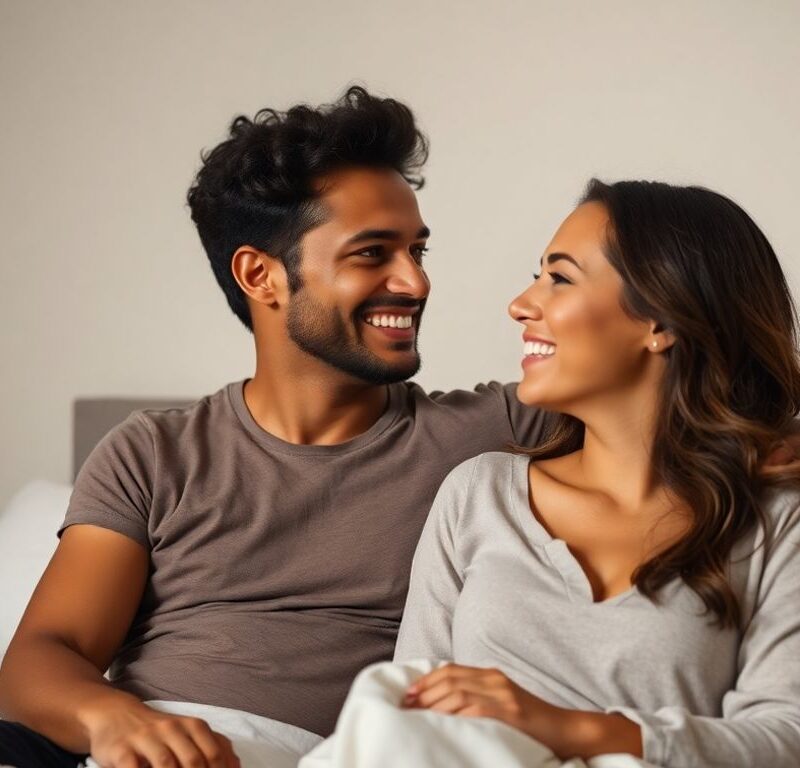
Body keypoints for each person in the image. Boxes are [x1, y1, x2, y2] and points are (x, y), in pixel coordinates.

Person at [0, 88, 549, 768]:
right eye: (373, 253)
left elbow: (685, 378)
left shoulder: (490, 432)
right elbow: (42, 659)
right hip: (130, 746)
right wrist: (114, 720)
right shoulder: (155, 452)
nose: (414, 282)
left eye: (417, 251)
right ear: (261, 275)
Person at [374, 179, 800, 767]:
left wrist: (570, 729)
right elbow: (399, 718)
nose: (522, 304)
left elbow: (787, 736)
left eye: (561, 277)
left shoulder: (773, 517)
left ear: (661, 320)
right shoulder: (479, 493)